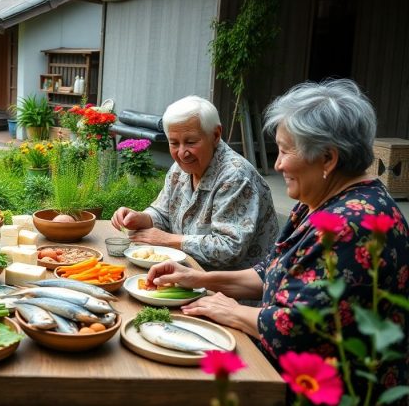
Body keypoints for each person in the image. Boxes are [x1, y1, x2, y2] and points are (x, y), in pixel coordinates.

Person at [147, 80, 408, 398]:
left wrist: (233, 311)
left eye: (285, 151)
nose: (277, 164)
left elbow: (298, 328)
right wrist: (195, 278)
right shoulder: (319, 201)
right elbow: (269, 270)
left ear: (328, 159)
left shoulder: (352, 225)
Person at [111, 95, 278, 271]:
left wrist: (168, 240)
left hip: (231, 290)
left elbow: (230, 248)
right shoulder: (180, 169)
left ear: (215, 135)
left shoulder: (235, 177)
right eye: (174, 143)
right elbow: (162, 212)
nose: (182, 153)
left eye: (191, 142)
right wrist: (141, 219)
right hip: (189, 273)